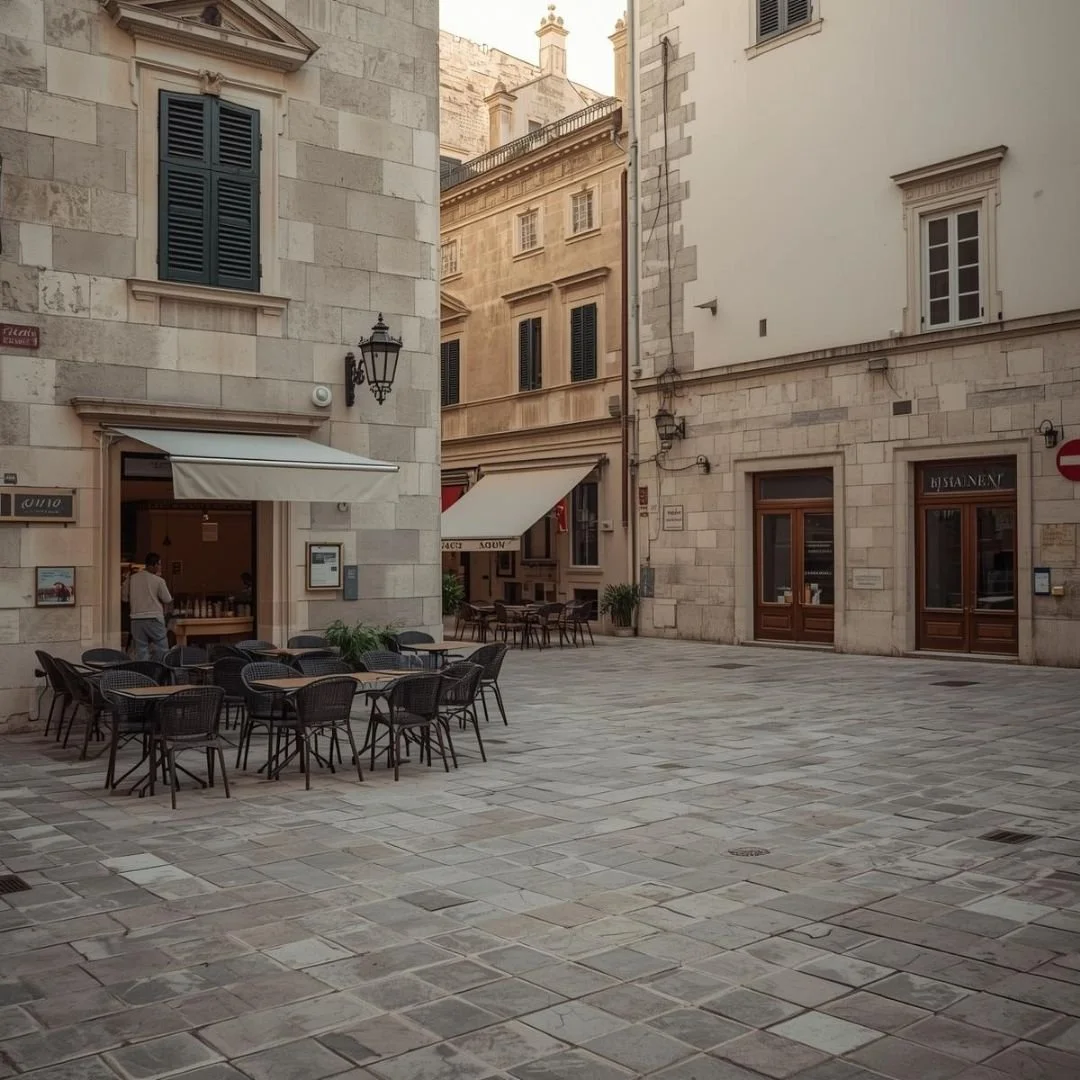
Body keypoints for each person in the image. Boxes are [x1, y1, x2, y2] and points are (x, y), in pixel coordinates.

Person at [122, 553, 173, 660]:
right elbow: (167, 599)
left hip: (136, 619)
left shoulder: (131, 579)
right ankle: (160, 672)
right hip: (154, 618)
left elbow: (124, 598)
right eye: (159, 564)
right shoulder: (158, 580)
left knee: (141, 650)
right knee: (162, 648)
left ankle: (144, 672)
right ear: (153, 565)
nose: (160, 567)